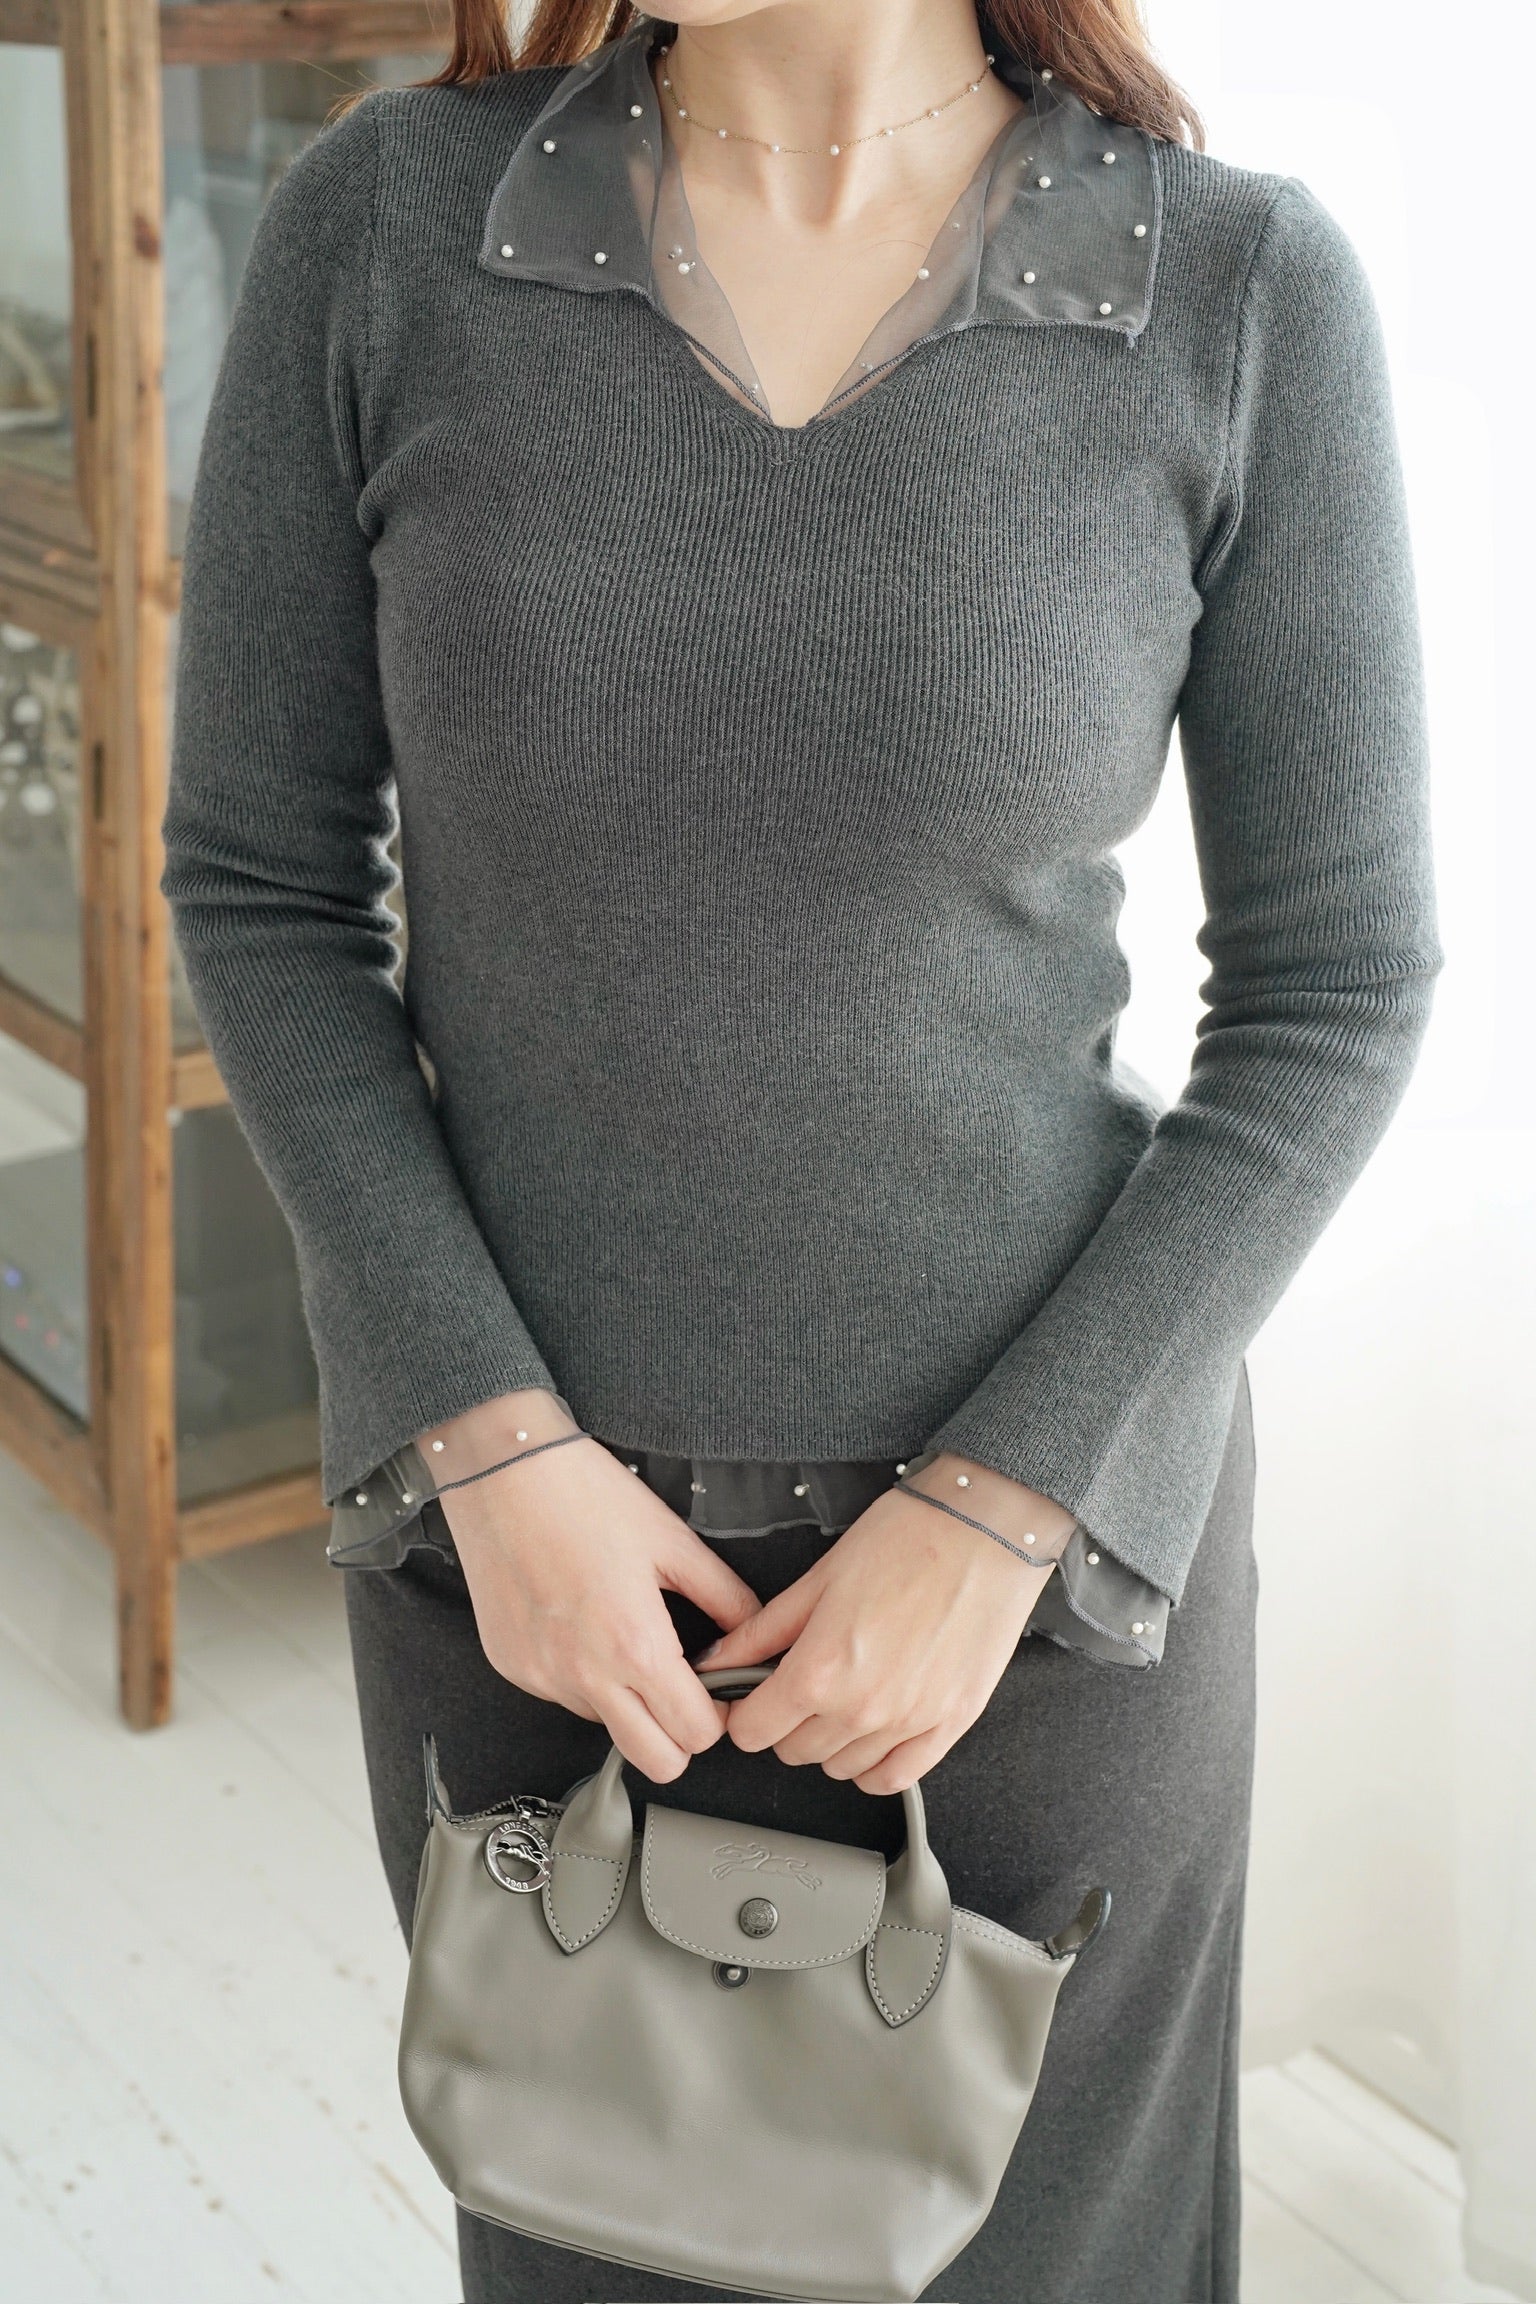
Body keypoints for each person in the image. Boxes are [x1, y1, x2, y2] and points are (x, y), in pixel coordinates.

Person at [159, 1, 1440, 2296]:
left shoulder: (1232, 289)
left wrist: (1002, 1512)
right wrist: (487, 1445)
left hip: (1034, 1607)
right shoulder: (393, 229)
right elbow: (260, 889)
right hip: (535, 1597)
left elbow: (1338, 988)